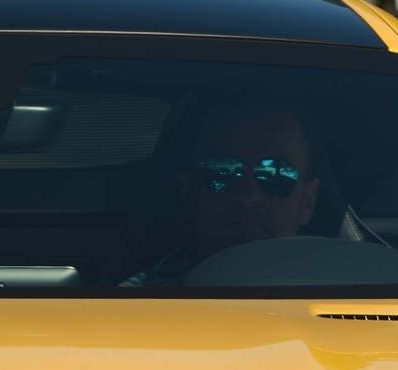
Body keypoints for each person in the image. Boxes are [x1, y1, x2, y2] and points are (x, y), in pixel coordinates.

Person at [127, 102, 321, 283]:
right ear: (187, 192)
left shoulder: (342, 300)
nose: (248, 197)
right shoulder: (129, 309)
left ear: (307, 201)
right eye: (219, 175)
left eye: (277, 176)